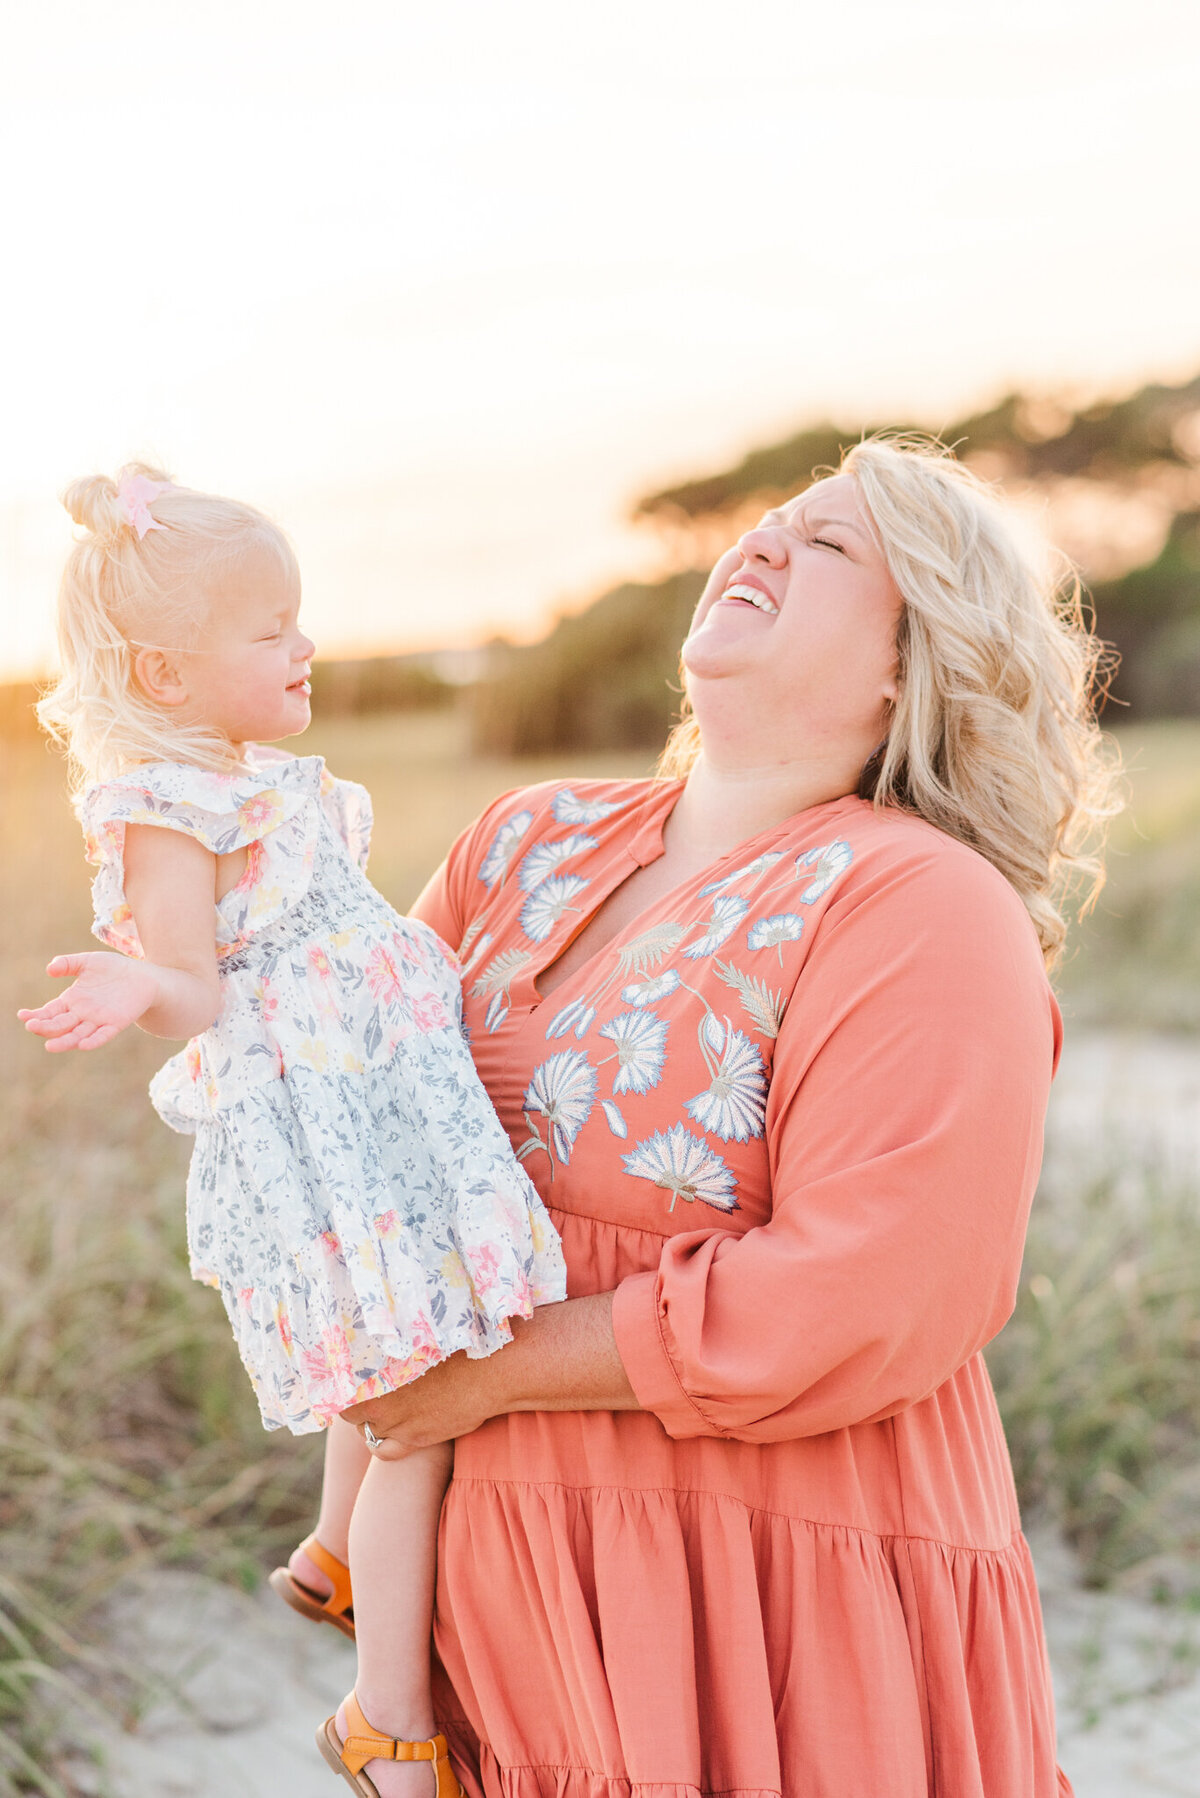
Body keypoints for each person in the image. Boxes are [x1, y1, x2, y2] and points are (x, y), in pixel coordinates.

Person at [283, 435, 1116, 1797]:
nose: (765, 543)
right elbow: (353, 1108)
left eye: (833, 543)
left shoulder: (919, 902)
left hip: (777, 1596)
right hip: (514, 1598)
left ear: (919, 658)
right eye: (768, 523)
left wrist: (484, 1367)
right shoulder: (522, 842)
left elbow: (878, 1286)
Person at [20, 467, 567, 1798]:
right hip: (325, 1144)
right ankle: (383, 1717)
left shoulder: (259, 778)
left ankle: (328, 1552)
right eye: (270, 630)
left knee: (394, 1349)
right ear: (164, 665)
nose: (304, 644)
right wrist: (142, 985)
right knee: (417, 1409)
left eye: (297, 619)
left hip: (375, 1116)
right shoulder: (166, 805)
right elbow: (196, 986)